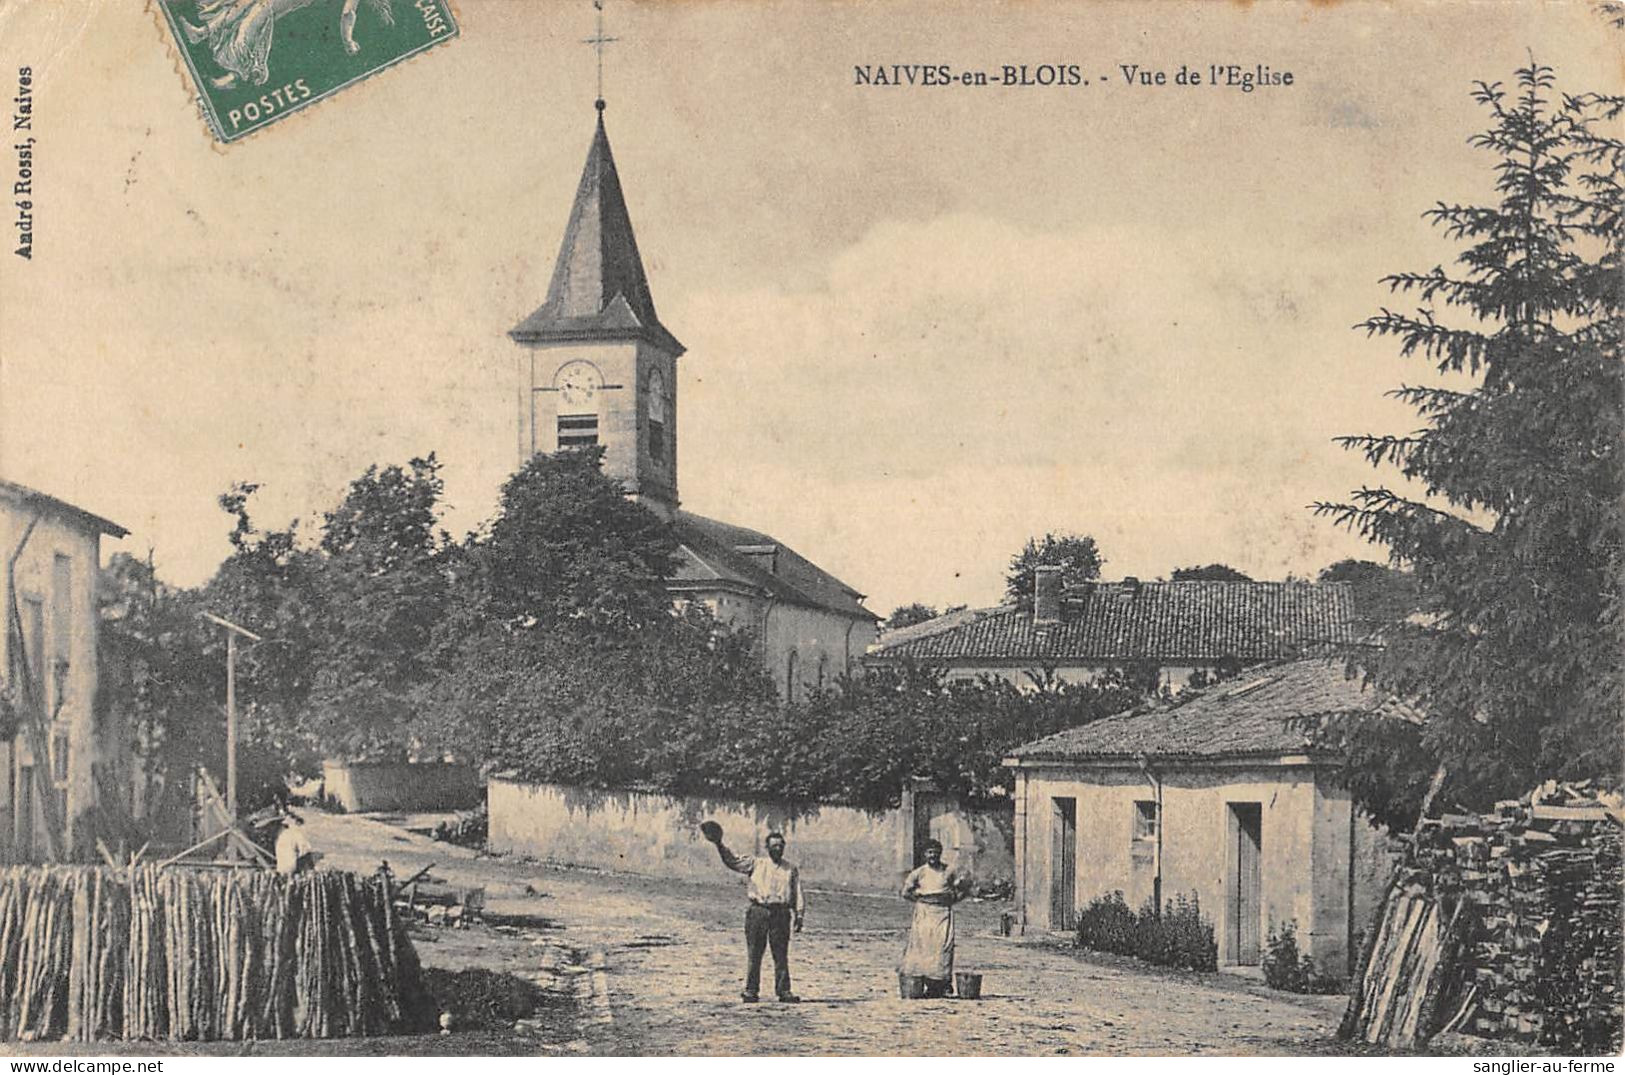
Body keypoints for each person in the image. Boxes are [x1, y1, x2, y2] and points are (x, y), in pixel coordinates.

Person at [705, 827, 804, 1003]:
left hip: (781, 913)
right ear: (767, 848)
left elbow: (797, 892)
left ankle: (784, 991)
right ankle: (751, 990)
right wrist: (719, 844)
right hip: (758, 912)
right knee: (755, 953)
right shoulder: (756, 863)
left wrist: (799, 915)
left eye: (780, 846)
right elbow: (733, 861)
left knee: (781, 954)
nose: (777, 849)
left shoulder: (791, 869)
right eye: (773, 846)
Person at [899, 839, 965, 998]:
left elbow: (963, 889)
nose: (933, 855)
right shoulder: (918, 873)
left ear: (940, 853)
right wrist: (922, 901)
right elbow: (905, 892)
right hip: (924, 914)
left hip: (943, 913)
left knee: (943, 947)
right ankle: (925, 982)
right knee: (923, 947)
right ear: (924, 855)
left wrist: (951, 900)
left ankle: (942, 984)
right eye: (929, 852)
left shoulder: (948, 871)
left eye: (936, 852)